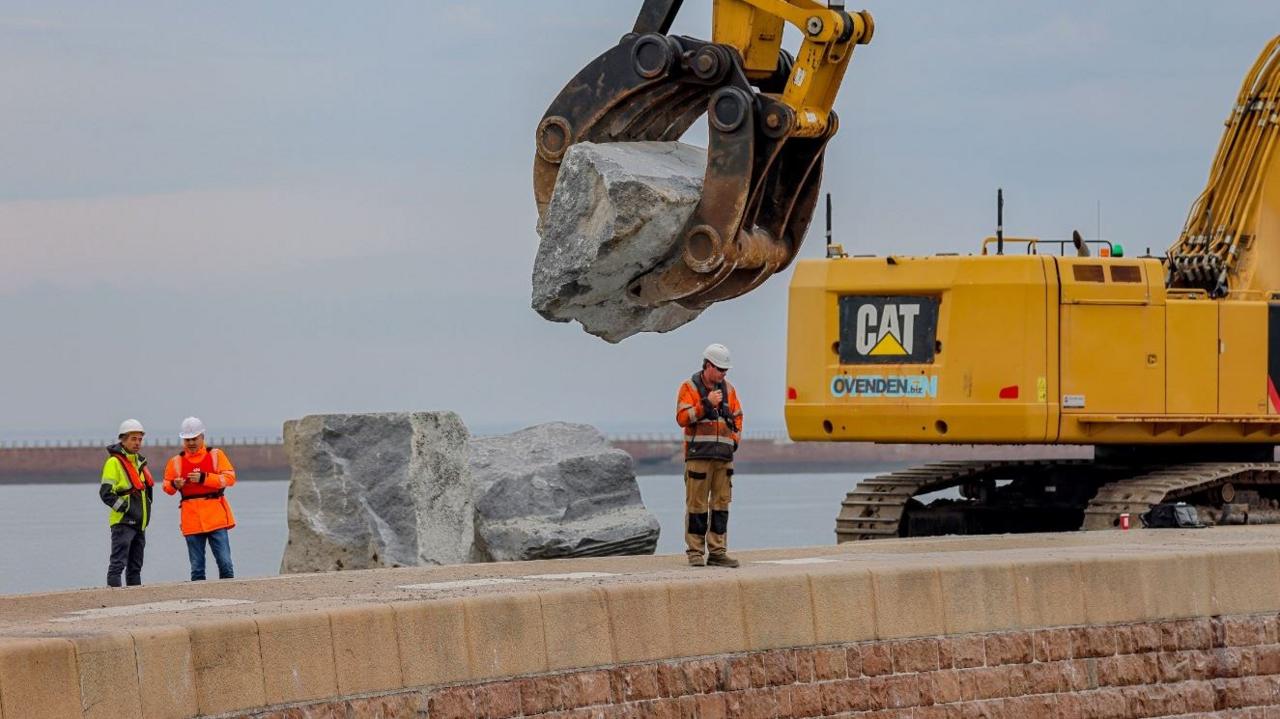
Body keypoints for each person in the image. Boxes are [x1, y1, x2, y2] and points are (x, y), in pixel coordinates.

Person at [675, 343, 744, 568]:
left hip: (723, 458)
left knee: (721, 505)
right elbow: (683, 417)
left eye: (726, 370)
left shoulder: (730, 390)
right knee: (696, 505)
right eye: (720, 369)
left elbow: (738, 416)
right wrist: (706, 404)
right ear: (707, 366)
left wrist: (733, 442)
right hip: (698, 456)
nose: (724, 374)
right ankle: (695, 552)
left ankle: (718, 551)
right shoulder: (689, 387)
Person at [163, 417, 237, 580]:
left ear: (202, 437)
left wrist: (205, 478)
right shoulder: (175, 462)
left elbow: (230, 478)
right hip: (192, 520)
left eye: (194, 439)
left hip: (216, 518)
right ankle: (199, 600)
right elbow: (166, 487)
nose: (191, 443)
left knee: (225, 564)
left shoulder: (216, 455)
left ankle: (229, 596)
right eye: (187, 439)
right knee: (197, 568)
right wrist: (175, 484)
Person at [99, 418, 155, 587]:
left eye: (139, 439)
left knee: (135, 568)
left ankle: (134, 603)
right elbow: (105, 493)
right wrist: (125, 508)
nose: (137, 443)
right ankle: (114, 601)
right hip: (123, 523)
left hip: (140, 524)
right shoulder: (114, 463)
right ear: (123, 440)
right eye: (133, 439)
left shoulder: (139, 462)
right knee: (118, 565)